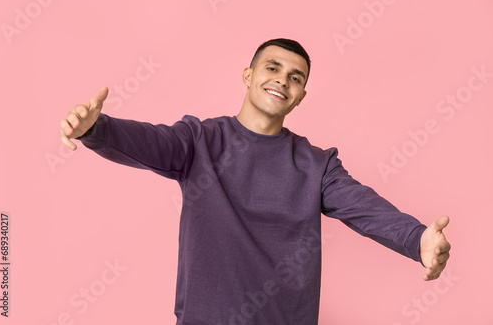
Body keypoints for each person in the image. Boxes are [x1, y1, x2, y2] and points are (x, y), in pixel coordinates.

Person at [59, 38, 451, 325]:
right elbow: (149, 142)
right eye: (273, 68)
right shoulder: (200, 141)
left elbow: (364, 208)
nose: (283, 80)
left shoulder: (317, 165)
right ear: (249, 75)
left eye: (295, 77)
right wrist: (96, 129)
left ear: (301, 96)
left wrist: (418, 239)